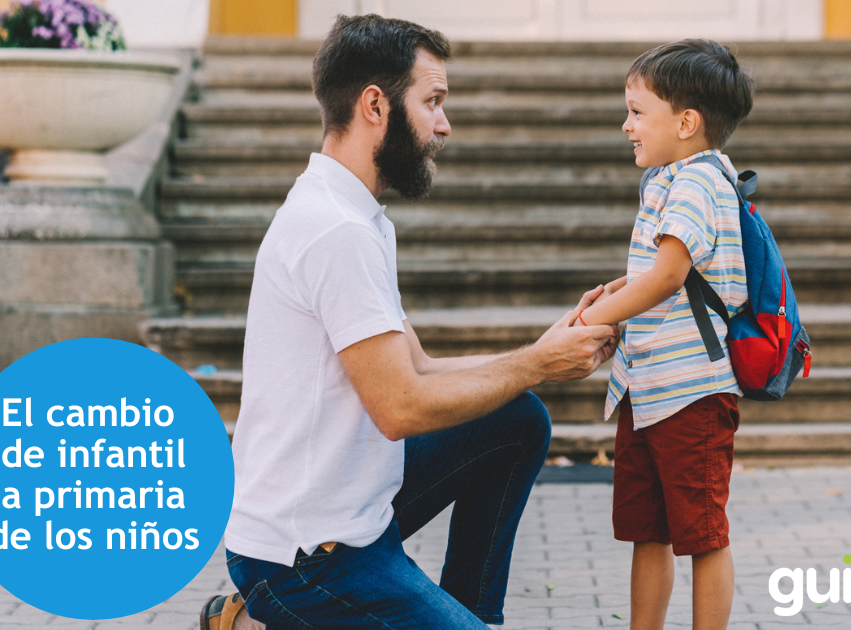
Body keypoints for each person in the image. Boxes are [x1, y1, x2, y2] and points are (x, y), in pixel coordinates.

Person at [199, 14, 616, 630]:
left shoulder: (355, 214)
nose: (444, 124)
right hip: (304, 558)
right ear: (375, 104)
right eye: (432, 102)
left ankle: (469, 615)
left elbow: (416, 368)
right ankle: (266, 614)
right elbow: (400, 408)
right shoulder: (336, 231)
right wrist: (536, 364)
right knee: (518, 392)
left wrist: (542, 352)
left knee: (516, 418)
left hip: (352, 510)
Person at [574, 39, 755, 630]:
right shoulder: (670, 178)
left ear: (686, 122)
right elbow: (661, 273)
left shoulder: (699, 182)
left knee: (703, 534)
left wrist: (593, 320)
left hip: (691, 391)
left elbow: (669, 276)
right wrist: (612, 293)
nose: (626, 125)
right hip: (648, 387)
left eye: (636, 111)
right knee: (646, 530)